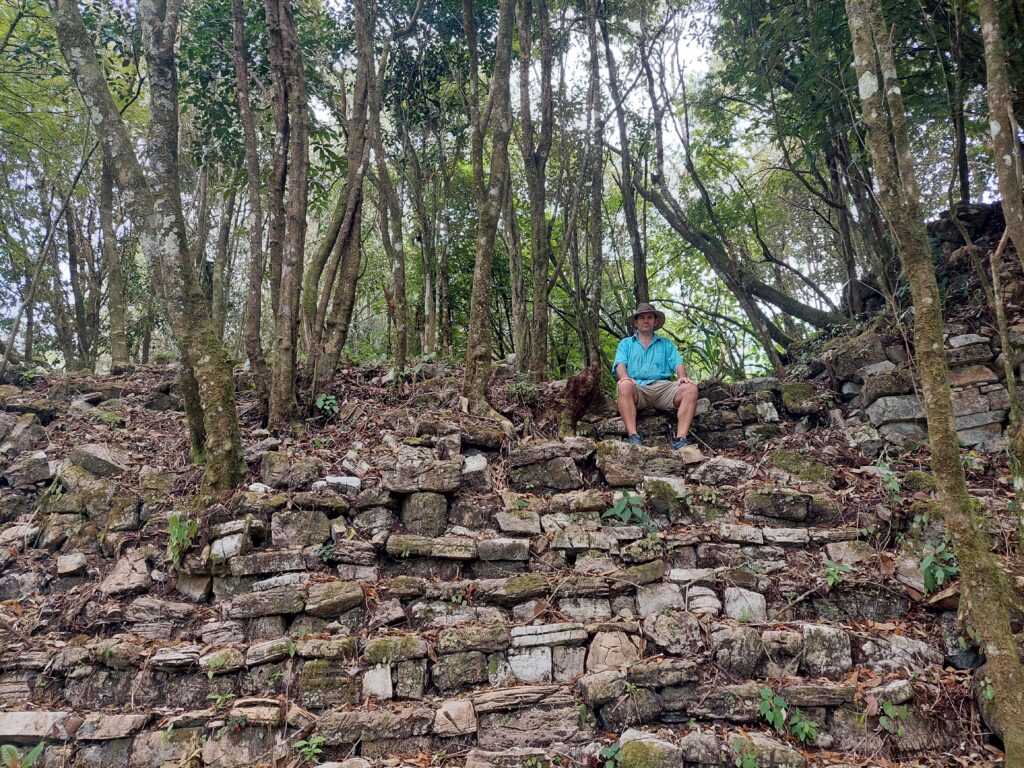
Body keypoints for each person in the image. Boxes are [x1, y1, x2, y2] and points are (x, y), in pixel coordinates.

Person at [612, 302, 698, 449]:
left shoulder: (666, 343)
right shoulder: (626, 344)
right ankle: (633, 436)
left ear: (655, 321)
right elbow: (620, 365)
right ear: (636, 321)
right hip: (637, 388)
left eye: (650, 317)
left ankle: (681, 439)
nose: (646, 320)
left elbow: (677, 362)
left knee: (690, 388)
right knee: (624, 384)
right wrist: (625, 377)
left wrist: (682, 376)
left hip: (663, 388)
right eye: (642, 318)